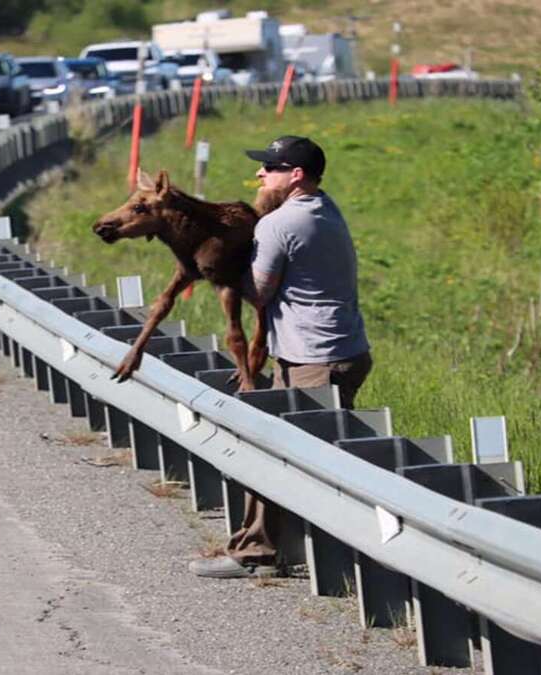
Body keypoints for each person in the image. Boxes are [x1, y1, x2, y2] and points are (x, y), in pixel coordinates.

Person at [189, 135, 372, 579]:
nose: (259, 174)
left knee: (284, 457)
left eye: (269, 167)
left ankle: (269, 554)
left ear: (295, 176)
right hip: (332, 350)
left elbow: (259, 292)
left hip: (315, 358)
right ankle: (261, 551)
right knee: (280, 452)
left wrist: (221, 266)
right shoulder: (324, 208)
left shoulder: (279, 224)